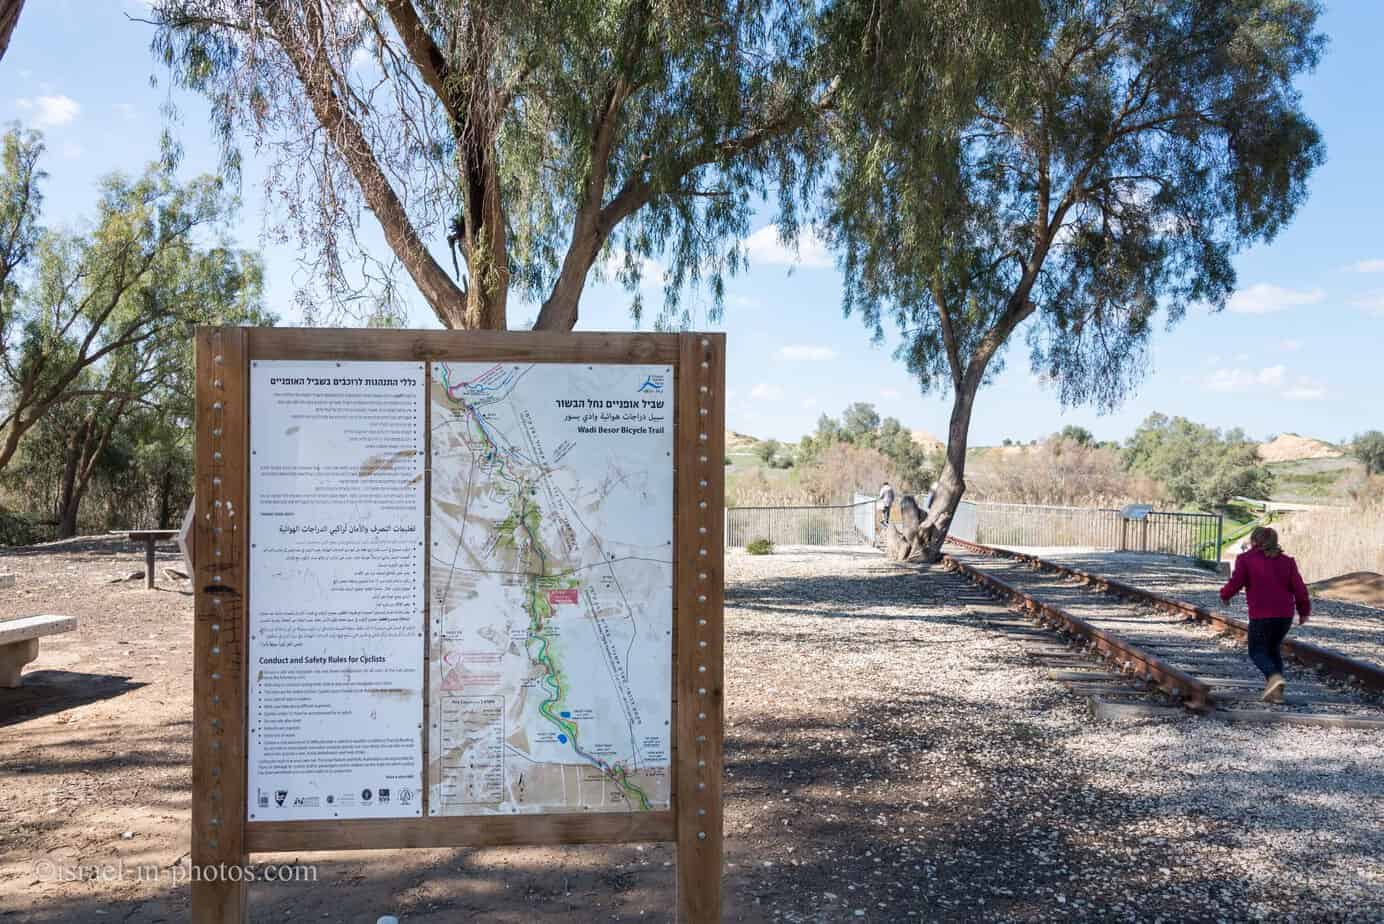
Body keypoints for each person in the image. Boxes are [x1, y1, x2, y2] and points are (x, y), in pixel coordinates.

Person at [1219, 526, 1311, 703]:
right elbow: (1300, 589)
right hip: (1285, 615)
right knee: (1272, 649)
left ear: (1254, 541)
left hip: (1262, 614)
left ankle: (1274, 677)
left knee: (1257, 651)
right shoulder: (1287, 561)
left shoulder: (1246, 559)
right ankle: (1276, 694)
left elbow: (1237, 581)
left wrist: (1225, 595)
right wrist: (1304, 611)